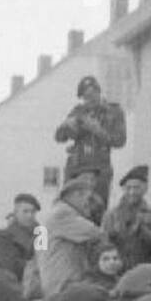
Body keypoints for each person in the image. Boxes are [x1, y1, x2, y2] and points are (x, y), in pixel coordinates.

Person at [54, 75, 127, 211]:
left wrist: (98, 130)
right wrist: (67, 126)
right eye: (85, 97)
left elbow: (120, 140)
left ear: (98, 92)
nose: (89, 100)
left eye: (92, 95)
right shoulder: (78, 111)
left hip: (99, 168)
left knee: (96, 208)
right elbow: (59, 137)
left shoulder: (113, 111)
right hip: (76, 168)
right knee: (70, 208)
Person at [39, 179, 105, 297]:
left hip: (55, 281)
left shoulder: (53, 213)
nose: (89, 204)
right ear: (76, 195)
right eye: (88, 198)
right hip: (64, 282)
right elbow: (96, 233)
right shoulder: (62, 214)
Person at [102, 165, 151, 270]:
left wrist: (143, 230)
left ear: (145, 189)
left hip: (146, 269)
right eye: (128, 188)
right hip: (118, 270)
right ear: (123, 189)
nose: (132, 192)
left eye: (136, 188)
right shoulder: (111, 215)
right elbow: (103, 245)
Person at [0, 193, 41, 282]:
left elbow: (46, 259)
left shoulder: (41, 234)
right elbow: (10, 267)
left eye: (33, 212)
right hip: (13, 286)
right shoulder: (3, 236)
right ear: (16, 213)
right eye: (25, 211)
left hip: (37, 286)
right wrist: (36, 266)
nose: (30, 215)